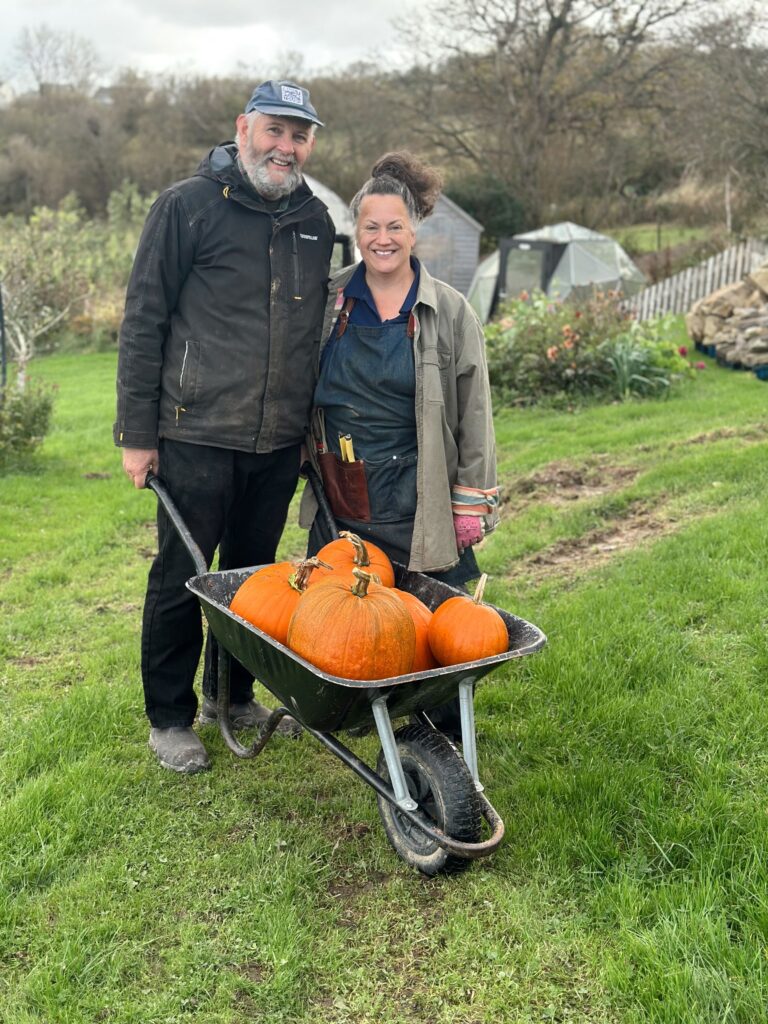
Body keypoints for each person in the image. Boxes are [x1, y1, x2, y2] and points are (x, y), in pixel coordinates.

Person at [115, 80, 335, 774]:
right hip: (195, 431)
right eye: (274, 130)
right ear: (243, 128)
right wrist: (137, 433)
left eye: (299, 136)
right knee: (183, 575)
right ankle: (170, 717)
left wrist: (306, 430)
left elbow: (311, 333)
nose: (286, 147)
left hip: (275, 442)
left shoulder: (315, 220)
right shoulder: (186, 207)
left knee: (254, 582)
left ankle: (232, 696)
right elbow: (144, 319)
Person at [300, 152, 499, 736]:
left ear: (414, 231)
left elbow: (476, 412)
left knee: (442, 629)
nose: (382, 239)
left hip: (420, 493)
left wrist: (472, 498)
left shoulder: (449, 311)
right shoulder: (330, 303)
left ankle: (439, 732)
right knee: (345, 617)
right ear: (355, 231)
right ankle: (360, 710)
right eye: (370, 227)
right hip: (341, 493)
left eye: (394, 227)